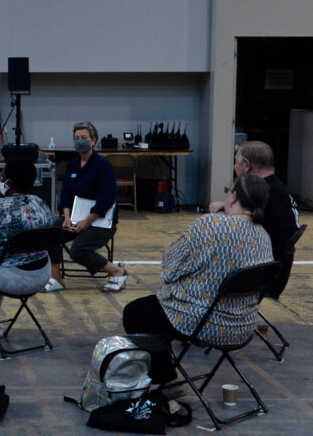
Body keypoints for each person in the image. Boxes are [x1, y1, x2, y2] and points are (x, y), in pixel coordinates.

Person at [122, 174, 273, 383]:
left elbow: (169, 270)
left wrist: (215, 219)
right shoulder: (264, 236)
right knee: (156, 311)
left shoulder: (209, 225)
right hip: (243, 326)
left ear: (233, 197)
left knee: (135, 313)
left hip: (204, 323)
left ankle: (166, 379)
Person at [0, 162, 57, 325]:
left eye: (2, 177)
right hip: (42, 274)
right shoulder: (41, 204)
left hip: (12, 278)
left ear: (9, 183)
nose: (1, 180)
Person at [208, 140, 299, 298]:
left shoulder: (265, 193)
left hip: (261, 277)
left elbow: (236, 229)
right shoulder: (276, 189)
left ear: (246, 165)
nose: (234, 167)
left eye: (236, 162)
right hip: (274, 270)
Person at [46, 121, 127, 292]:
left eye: (84, 138)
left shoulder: (103, 166)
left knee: (77, 251)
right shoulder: (72, 165)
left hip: (100, 221)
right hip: (75, 217)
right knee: (50, 232)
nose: (80, 141)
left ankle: (117, 271)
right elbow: (66, 195)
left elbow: (106, 200)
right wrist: (67, 218)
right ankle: (56, 279)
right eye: (76, 138)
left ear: (93, 140)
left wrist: (86, 222)